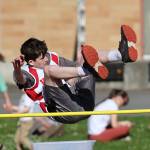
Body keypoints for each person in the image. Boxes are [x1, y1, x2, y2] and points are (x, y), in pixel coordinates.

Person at [12, 24, 138, 124]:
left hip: (83, 105)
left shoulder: (51, 57)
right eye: (41, 58)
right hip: (63, 112)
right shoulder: (25, 72)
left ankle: (121, 54)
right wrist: (17, 69)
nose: (46, 59)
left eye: (45, 55)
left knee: (82, 57)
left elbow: (73, 68)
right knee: (49, 70)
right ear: (31, 62)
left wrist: (81, 63)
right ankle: (88, 70)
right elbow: (21, 81)